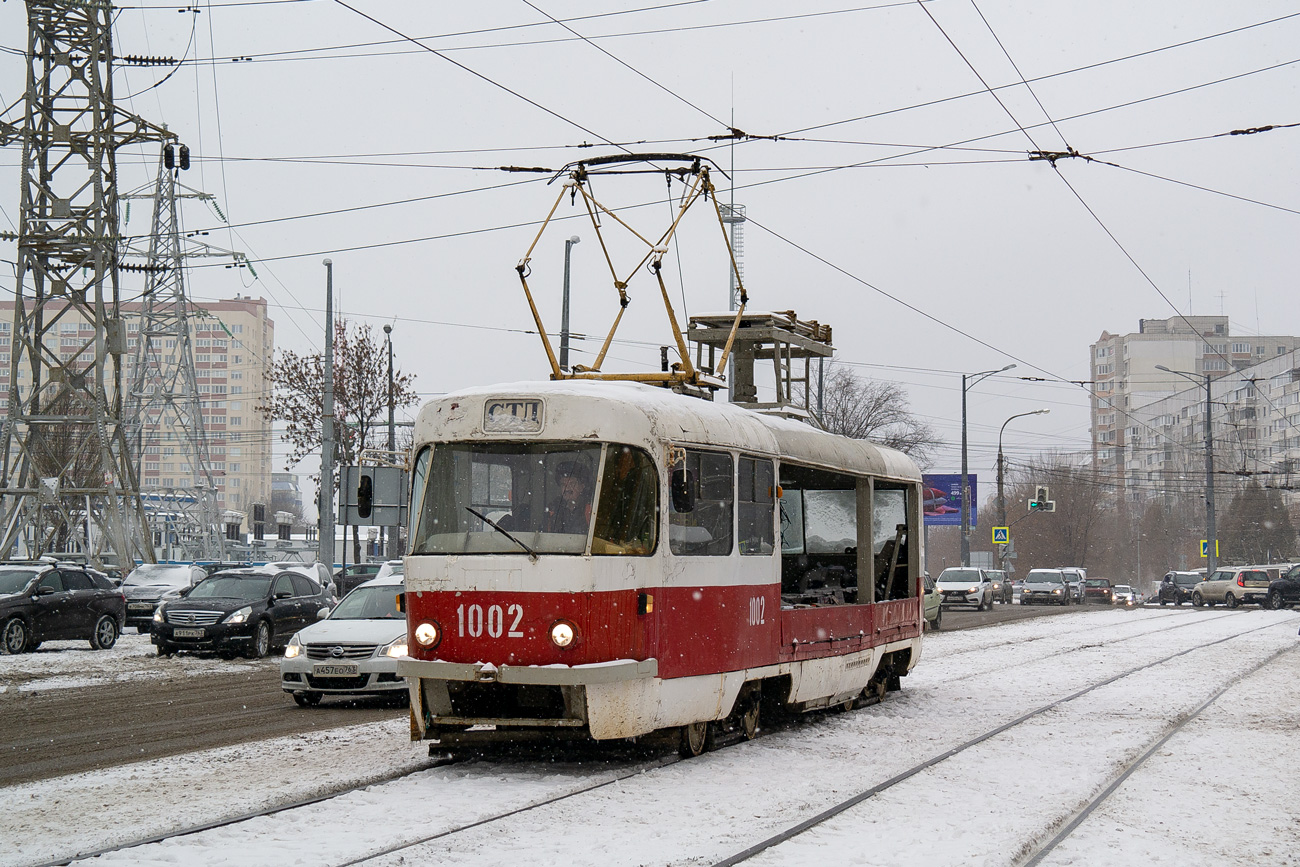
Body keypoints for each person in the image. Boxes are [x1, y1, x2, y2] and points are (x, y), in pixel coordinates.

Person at [545, 461, 593, 534]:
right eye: (563, 485)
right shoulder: (553, 509)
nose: (567, 489)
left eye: (572, 484)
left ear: (582, 487)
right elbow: (545, 536)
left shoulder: (590, 508)